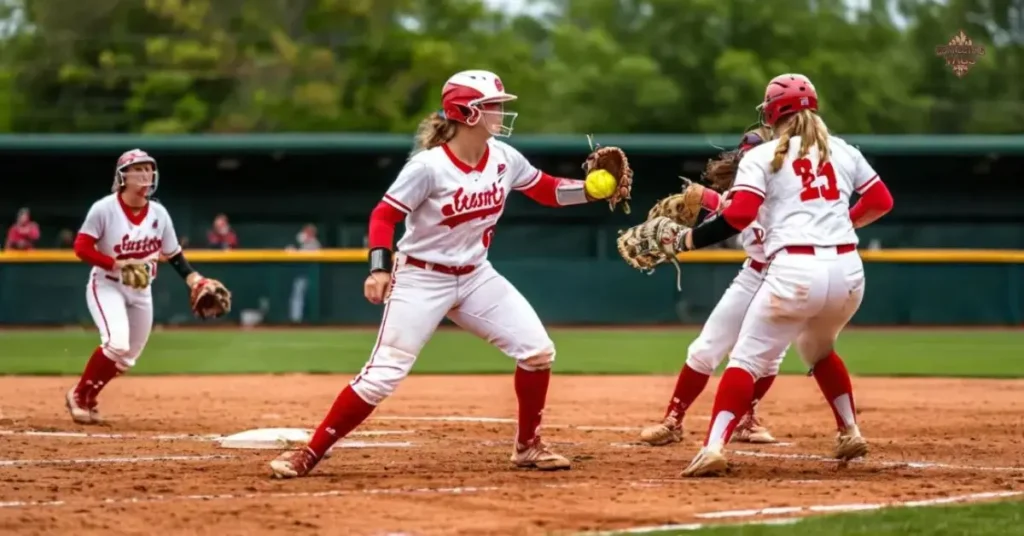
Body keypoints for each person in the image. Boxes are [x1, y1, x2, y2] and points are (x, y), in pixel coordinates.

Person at [268, 69, 622, 478]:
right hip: (421, 278)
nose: (500, 113)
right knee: (382, 375)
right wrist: (379, 268)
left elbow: (544, 188)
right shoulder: (429, 167)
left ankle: (528, 447)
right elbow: (385, 215)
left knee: (538, 352)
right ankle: (310, 452)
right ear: (467, 114)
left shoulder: (505, 158)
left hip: (476, 276)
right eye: (492, 106)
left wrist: (592, 190)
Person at [651, 74, 894, 476]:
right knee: (820, 350)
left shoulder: (762, 157)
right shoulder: (845, 151)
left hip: (795, 271)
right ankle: (850, 430)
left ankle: (714, 447)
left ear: (771, 113)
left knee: (744, 361)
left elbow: (741, 214)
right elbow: (882, 200)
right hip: (849, 273)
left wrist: (690, 239)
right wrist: (840, 226)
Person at [640, 128, 783, 447]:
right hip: (755, 274)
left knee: (768, 359)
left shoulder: (794, 190)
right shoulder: (744, 187)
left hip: (789, 277)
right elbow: (738, 210)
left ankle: (747, 418)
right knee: (705, 349)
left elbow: (743, 214)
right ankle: (673, 420)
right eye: (745, 154)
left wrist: (708, 199)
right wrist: (709, 200)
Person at [66, 149, 221, 424]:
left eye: (149, 169)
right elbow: (81, 247)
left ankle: (89, 397)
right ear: (123, 176)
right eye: (139, 169)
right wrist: (115, 264)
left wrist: (195, 279)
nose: (146, 175)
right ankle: (79, 396)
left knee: (127, 359)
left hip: (141, 291)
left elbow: (173, 254)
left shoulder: (159, 214)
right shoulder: (104, 209)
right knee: (116, 343)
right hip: (107, 284)